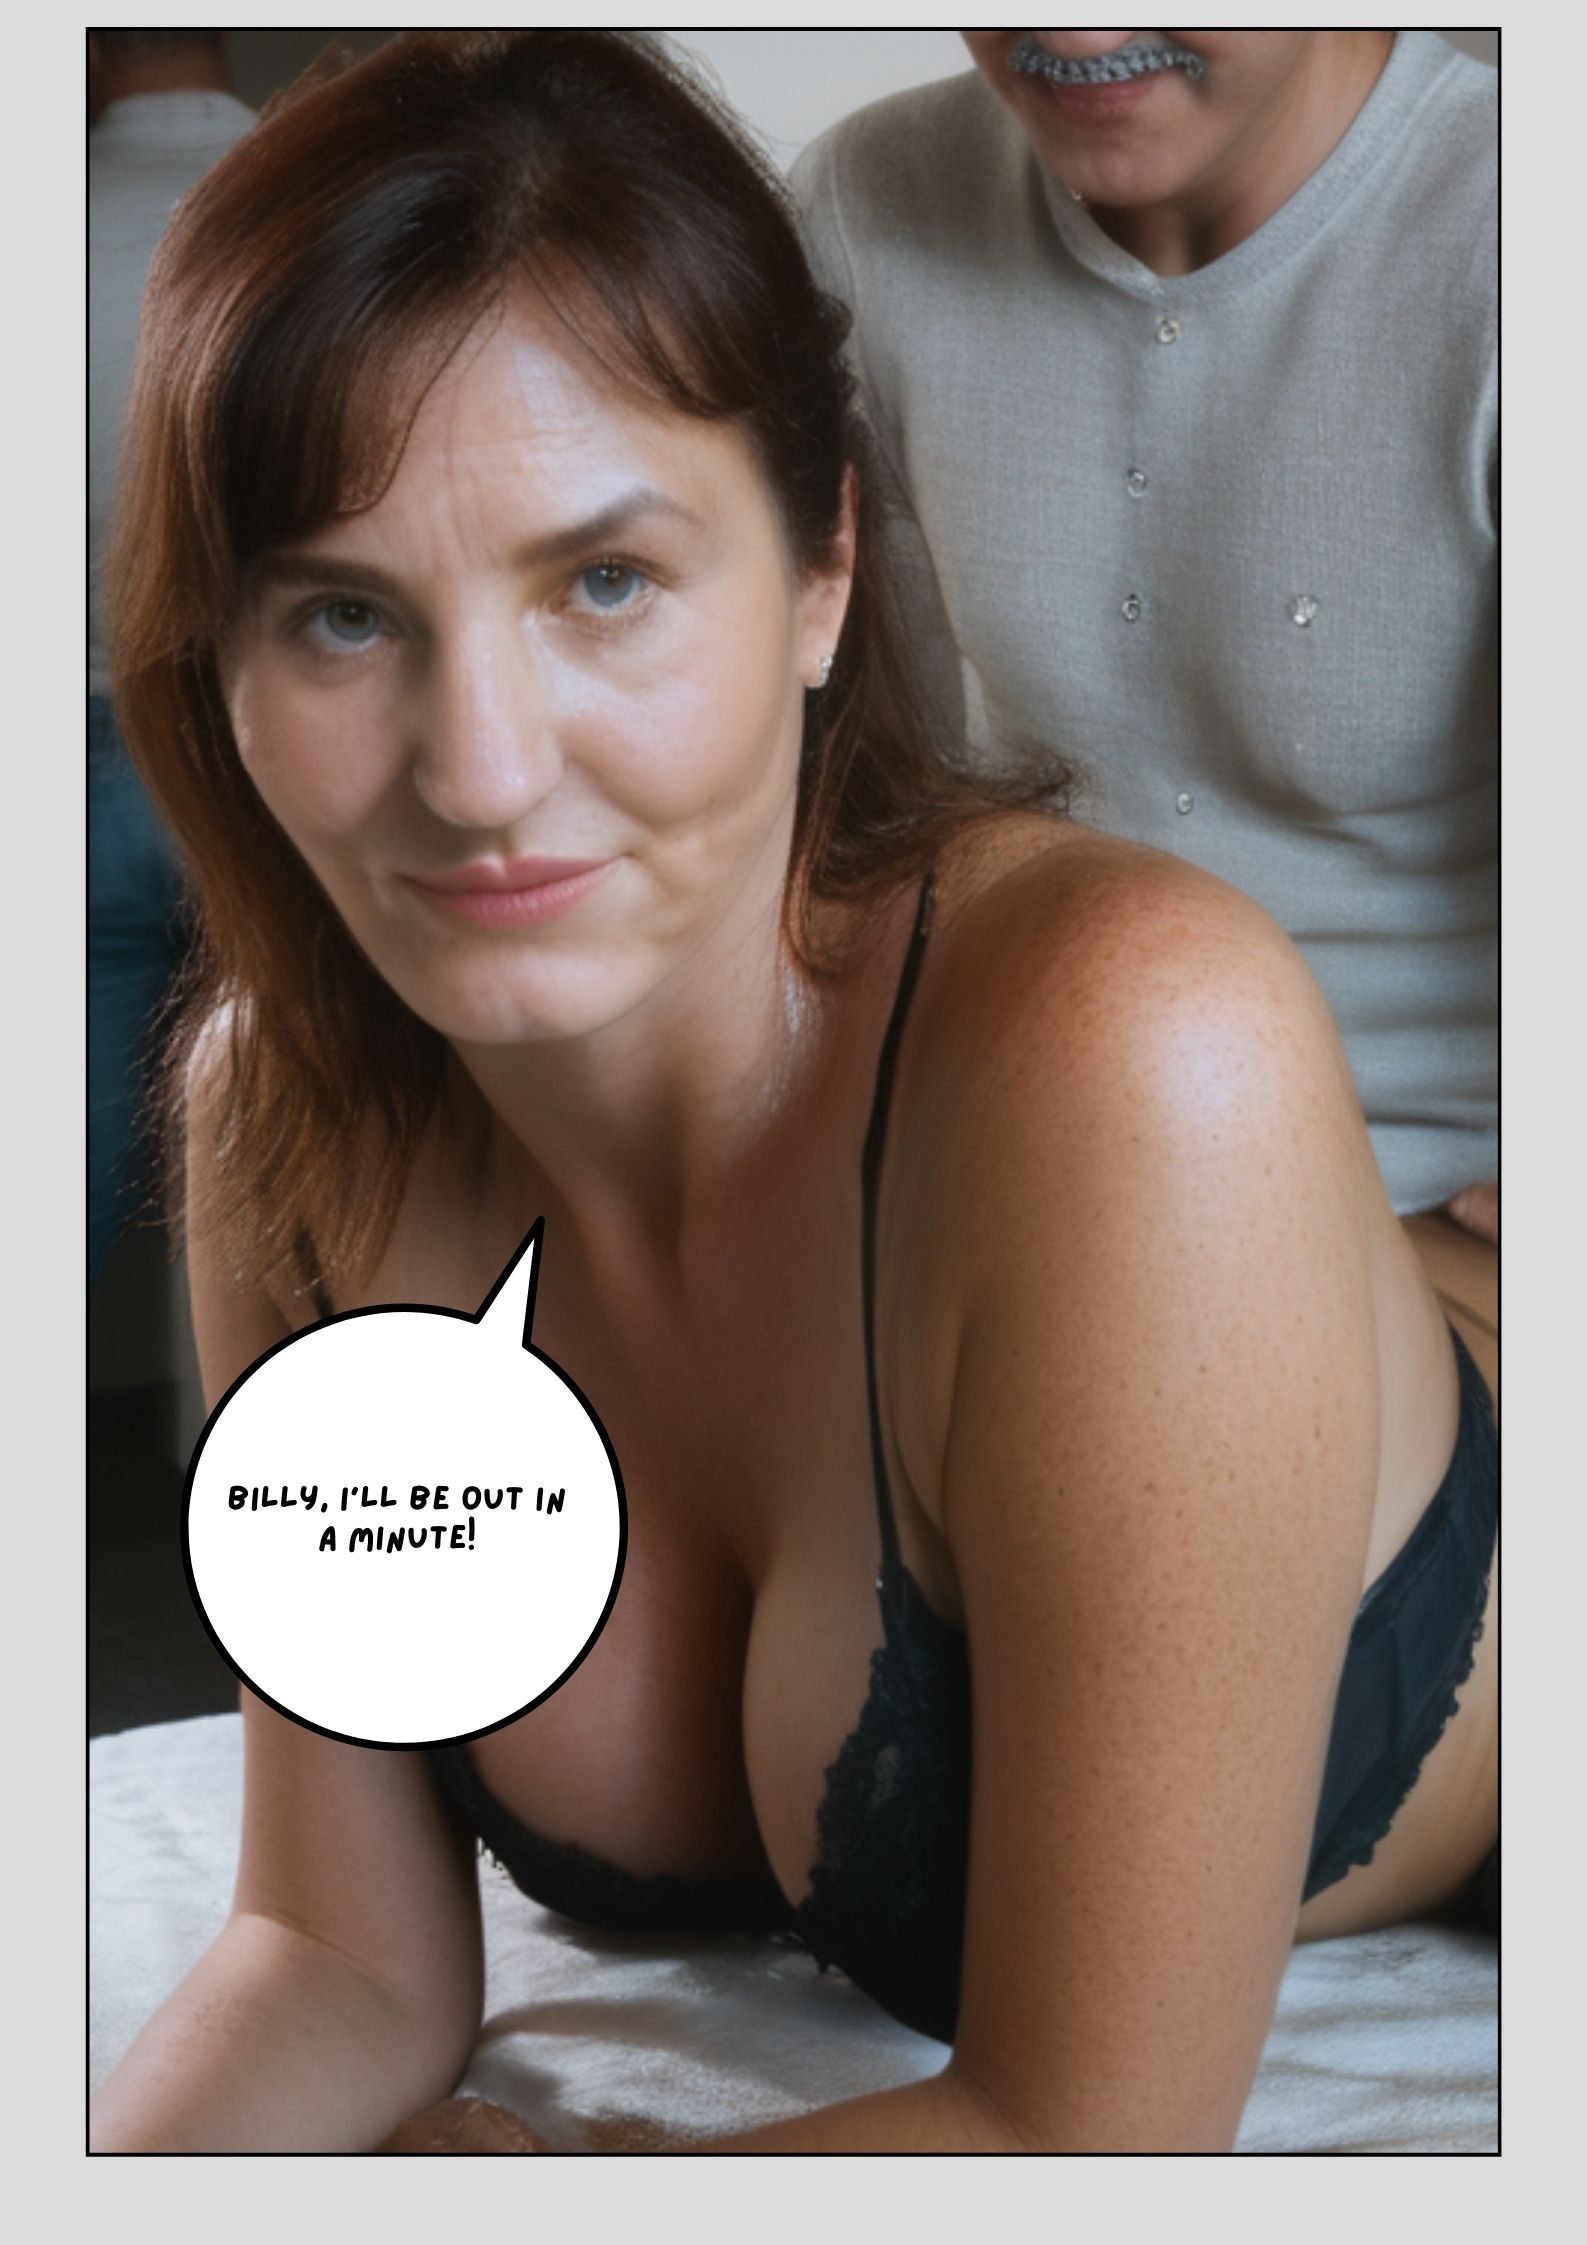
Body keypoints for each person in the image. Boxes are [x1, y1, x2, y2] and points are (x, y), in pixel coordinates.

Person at [89, 31, 1495, 2155]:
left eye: (605, 583)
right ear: (220, 666)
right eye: (345, 617)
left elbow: (1086, 2146)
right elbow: (335, 1956)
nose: (480, 773)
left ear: (826, 567)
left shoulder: (1141, 1047)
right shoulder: (278, 1116)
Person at [792, 31, 1497, 1286]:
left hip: (1422, 1217)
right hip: (1004, 1178)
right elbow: (850, 793)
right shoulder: (865, 204)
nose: (1072, 32)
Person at [89, 29, 255, 1282]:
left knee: (68, 1165)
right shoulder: (323, 214)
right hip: (263, 731)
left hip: (76, 753)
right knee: (300, 1136)